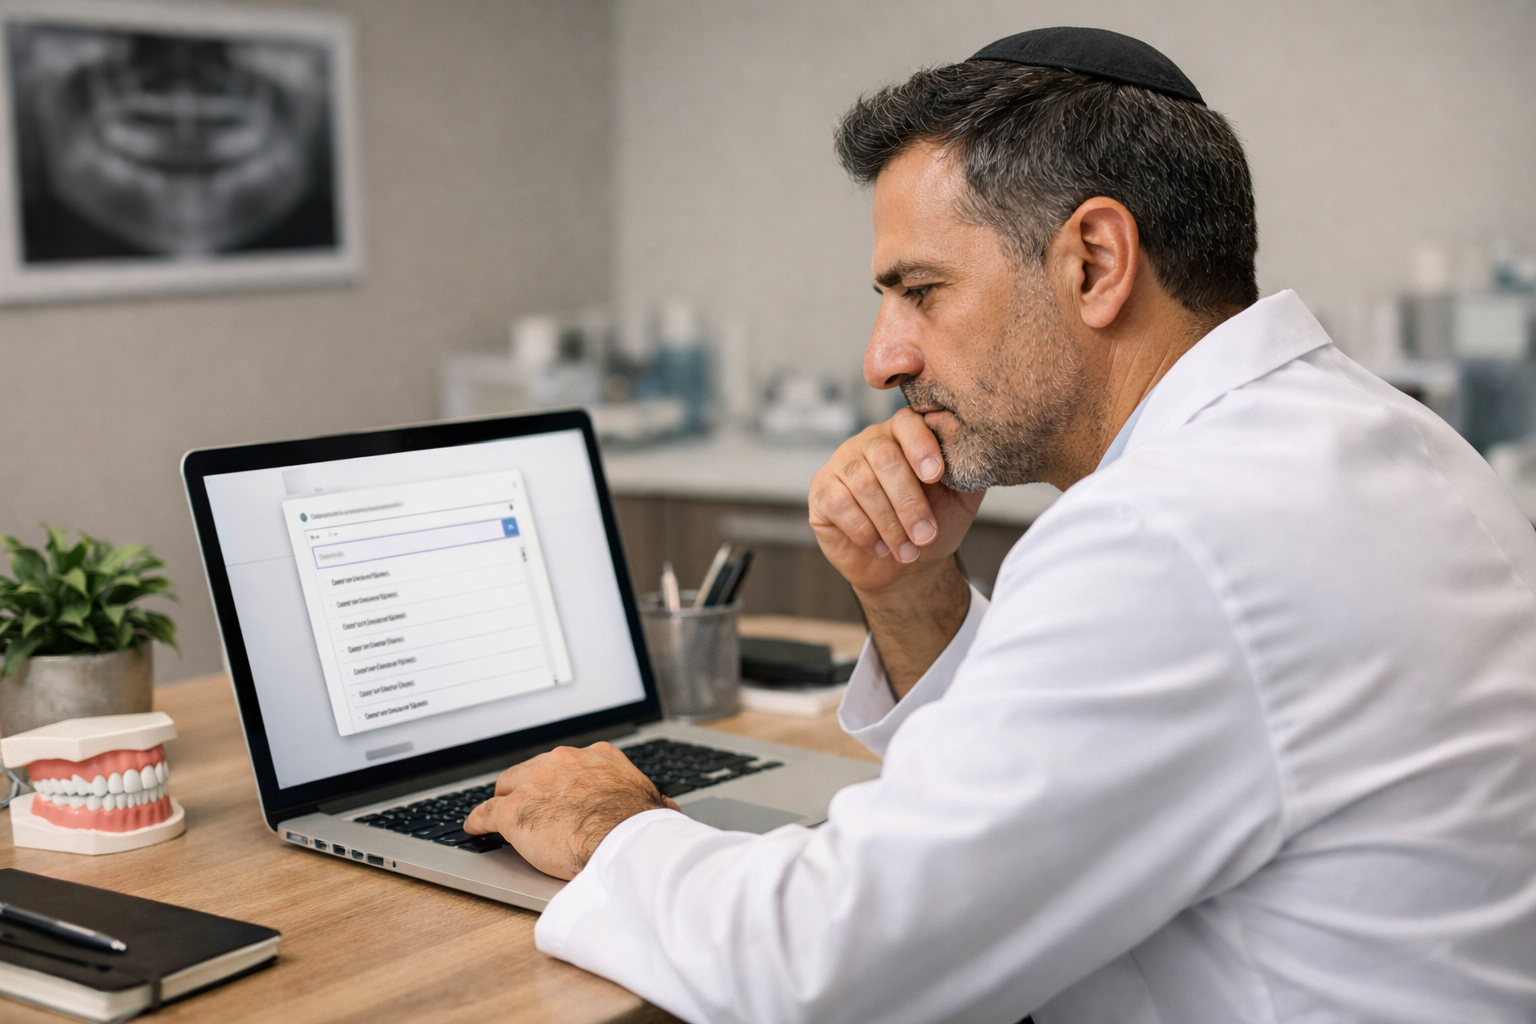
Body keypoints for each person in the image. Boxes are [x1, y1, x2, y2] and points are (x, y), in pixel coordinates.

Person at [465, 28, 1536, 1023]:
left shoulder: (1171, 534)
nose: (883, 358)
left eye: (921, 290)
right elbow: (1073, 782)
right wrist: (912, 591)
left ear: (1095, 263)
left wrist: (609, 827)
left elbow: (828, 969)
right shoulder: (1387, 438)